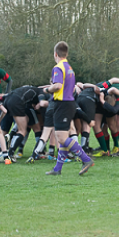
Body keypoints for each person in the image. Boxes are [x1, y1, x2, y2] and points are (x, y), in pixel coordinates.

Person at [42, 41, 94, 175]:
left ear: (55, 54)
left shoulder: (58, 67)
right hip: (69, 103)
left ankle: (86, 159)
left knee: (62, 138)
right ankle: (57, 169)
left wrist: (48, 89)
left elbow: (58, 85)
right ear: (66, 54)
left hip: (62, 104)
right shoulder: (69, 68)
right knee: (63, 137)